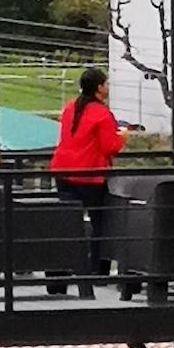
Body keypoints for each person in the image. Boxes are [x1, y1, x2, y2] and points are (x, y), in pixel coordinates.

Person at [50, 65, 125, 270]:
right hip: (90, 174)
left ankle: (60, 269)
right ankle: (97, 270)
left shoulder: (70, 108)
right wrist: (122, 137)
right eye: (106, 83)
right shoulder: (101, 114)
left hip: (63, 170)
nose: (108, 86)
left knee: (67, 222)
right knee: (100, 223)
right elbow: (110, 146)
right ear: (99, 87)